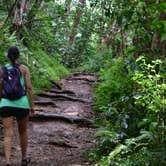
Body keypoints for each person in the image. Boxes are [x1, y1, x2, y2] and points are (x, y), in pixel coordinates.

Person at [0, 46, 35, 166]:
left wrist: (1, 101)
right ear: (18, 55)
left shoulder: (2, 69)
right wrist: (32, 105)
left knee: (7, 133)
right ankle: (24, 159)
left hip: (5, 103)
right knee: (23, 132)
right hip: (22, 103)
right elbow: (29, 87)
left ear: (8, 56)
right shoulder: (24, 68)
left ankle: (8, 161)